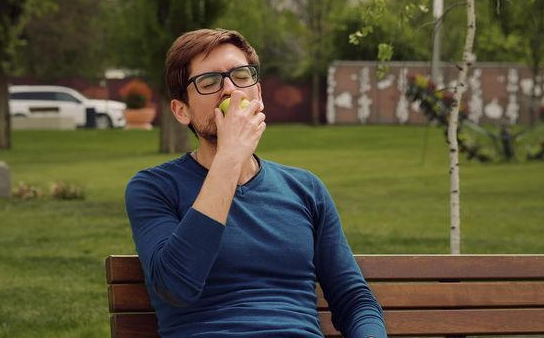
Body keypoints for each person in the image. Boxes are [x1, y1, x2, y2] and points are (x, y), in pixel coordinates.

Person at [125, 28, 386, 338]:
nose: (229, 90)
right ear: (182, 110)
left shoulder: (305, 189)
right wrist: (229, 159)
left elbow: (354, 301)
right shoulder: (154, 188)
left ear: (258, 94)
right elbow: (176, 285)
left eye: (241, 75)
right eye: (208, 82)